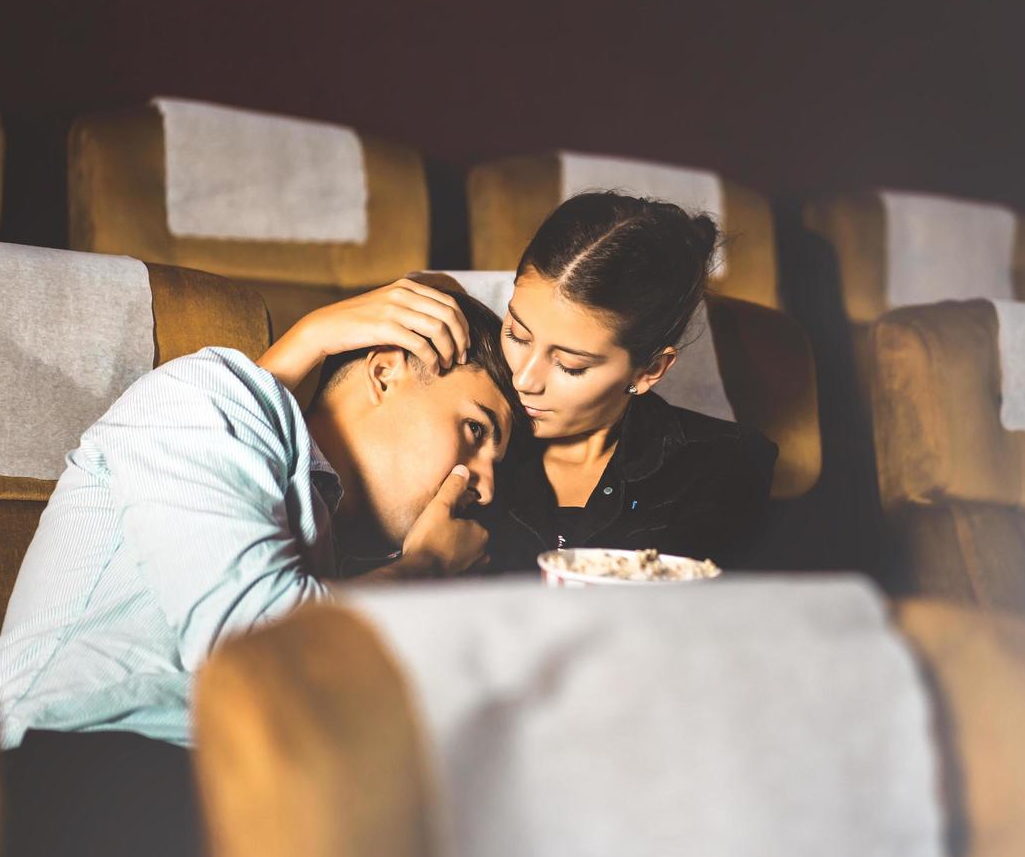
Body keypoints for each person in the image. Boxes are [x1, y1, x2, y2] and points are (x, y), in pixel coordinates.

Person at [0, 285, 516, 857]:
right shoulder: (206, 394)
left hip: (228, 797)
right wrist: (426, 567)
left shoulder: (343, 555)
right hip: (76, 769)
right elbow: (249, 644)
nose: (485, 486)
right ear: (385, 373)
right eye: (476, 431)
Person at [272, 192, 779, 573]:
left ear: (648, 371)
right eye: (517, 332)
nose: (525, 379)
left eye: (570, 365)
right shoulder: (457, 438)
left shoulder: (721, 467)